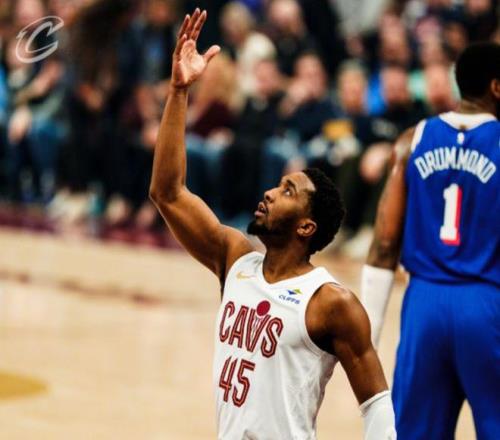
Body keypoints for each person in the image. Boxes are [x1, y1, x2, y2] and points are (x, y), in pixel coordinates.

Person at [149, 9, 396, 439]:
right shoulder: (236, 261)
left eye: (287, 191)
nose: (269, 192)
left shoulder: (330, 303)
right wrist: (179, 91)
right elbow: (167, 193)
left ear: (306, 227)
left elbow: (376, 404)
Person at [361, 42, 500, 439]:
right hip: (486, 304)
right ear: (496, 87)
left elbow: (384, 246)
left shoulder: (413, 139)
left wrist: (366, 341)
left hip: (423, 306)